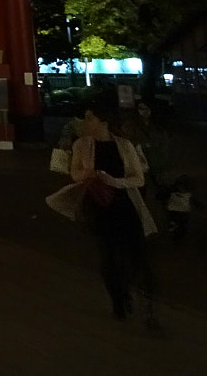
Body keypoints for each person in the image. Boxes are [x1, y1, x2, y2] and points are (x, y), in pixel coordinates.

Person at [46, 98, 157, 322]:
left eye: (89, 118)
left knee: (135, 253)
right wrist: (88, 175)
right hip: (98, 206)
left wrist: (114, 181)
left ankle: (127, 289)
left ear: (103, 120)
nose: (85, 122)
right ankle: (118, 298)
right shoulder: (82, 145)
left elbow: (138, 178)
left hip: (126, 205)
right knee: (109, 255)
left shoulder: (124, 145)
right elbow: (74, 173)